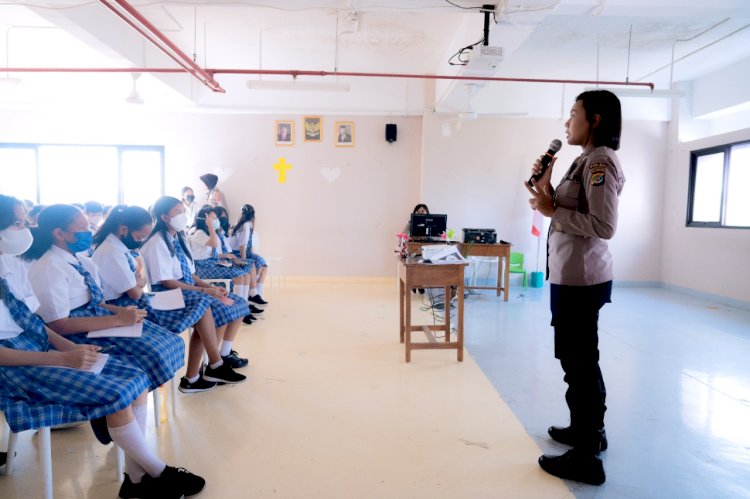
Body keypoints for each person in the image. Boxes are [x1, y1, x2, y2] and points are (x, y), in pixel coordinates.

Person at [0, 194, 205, 498]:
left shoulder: (11, 265)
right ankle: (157, 472)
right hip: (15, 365)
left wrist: (66, 348)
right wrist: (62, 359)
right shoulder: (44, 266)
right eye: (18, 223)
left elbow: (35, 322)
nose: (26, 228)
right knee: (118, 390)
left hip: (41, 346)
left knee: (135, 378)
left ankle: (136, 478)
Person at [524, 89, 625, 486]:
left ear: (595, 120)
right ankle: (587, 432)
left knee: (580, 363)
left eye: (573, 114)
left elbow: (604, 227)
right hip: (570, 275)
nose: (567, 123)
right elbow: (562, 209)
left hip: (582, 279)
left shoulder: (599, 161)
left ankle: (586, 458)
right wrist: (546, 187)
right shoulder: (582, 160)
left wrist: (554, 210)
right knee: (577, 359)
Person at [23, 204, 185, 397]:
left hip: (99, 319)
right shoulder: (49, 267)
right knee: (150, 356)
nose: (89, 232)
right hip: (78, 333)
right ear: (59, 233)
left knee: (171, 342)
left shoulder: (82, 262)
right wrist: (117, 320)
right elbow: (57, 324)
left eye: (88, 227)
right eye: (82, 228)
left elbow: (97, 302)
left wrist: (121, 313)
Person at [140, 196, 249, 386]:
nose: (182, 215)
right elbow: (167, 282)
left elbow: (190, 273)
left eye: (183, 211)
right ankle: (212, 367)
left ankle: (214, 363)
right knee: (215, 309)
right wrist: (203, 291)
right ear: (164, 217)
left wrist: (210, 287)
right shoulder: (156, 243)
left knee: (235, 303)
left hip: (187, 287)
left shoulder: (179, 237)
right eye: (177, 212)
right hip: (167, 294)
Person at [230, 204, 268, 305]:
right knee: (252, 265)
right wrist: (244, 262)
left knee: (263, 266)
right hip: (237, 253)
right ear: (253, 215)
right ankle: (253, 294)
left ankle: (256, 293)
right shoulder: (246, 224)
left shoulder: (248, 224)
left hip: (247, 252)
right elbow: (242, 246)